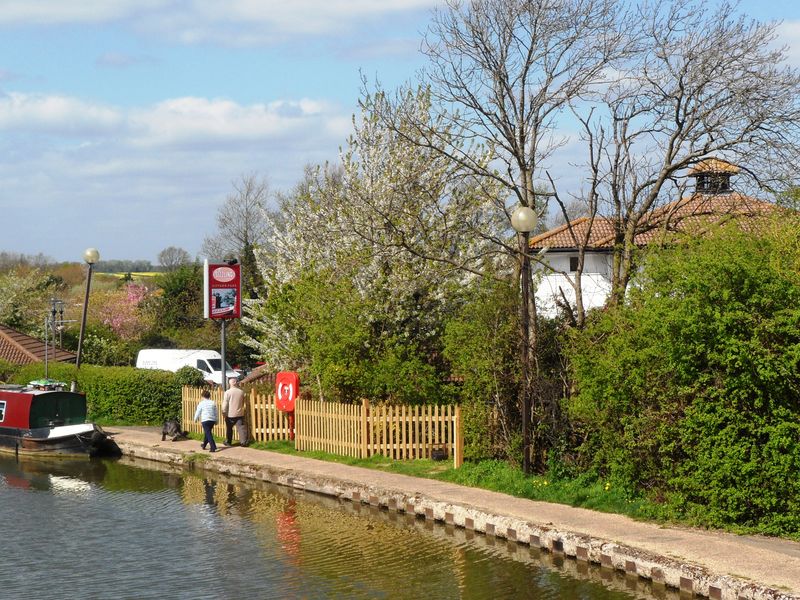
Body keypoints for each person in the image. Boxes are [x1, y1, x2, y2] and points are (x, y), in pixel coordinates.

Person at [222, 377, 248, 446]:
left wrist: (224, 412)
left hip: (230, 414)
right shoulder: (241, 392)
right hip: (240, 413)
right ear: (235, 383)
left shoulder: (227, 392)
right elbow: (243, 402)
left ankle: (228, 441)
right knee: (241, 428)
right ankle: (243, 442)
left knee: (229, 428)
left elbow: (225, 403)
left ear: (230, 383)